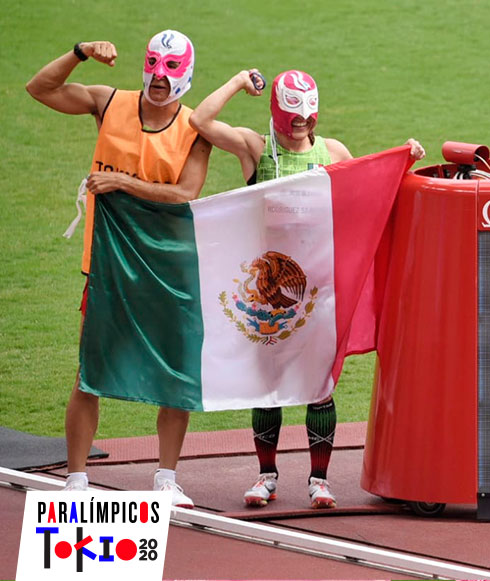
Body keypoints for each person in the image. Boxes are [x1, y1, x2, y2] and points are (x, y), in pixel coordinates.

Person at [189, 68, 424, 509]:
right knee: (269, 383)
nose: (302, 126)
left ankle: (320, 481)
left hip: (318, 291)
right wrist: (239, 81)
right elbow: (199, 121)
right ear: (277, 111)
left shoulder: (332, 151)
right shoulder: (256, 148)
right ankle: (266, 477)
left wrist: (403, 157)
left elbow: (370, 190)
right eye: (294, 118)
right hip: (267, 292)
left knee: (320, 385)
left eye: (308, 118)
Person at [26, 31, 212, 508]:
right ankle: (77, 480)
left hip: (169, 268)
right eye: (153, 63)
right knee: (90, 370)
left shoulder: (195, 128)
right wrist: (79, 52)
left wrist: (122, 183)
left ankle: (166, 478)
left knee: (176, 373)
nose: (159, 75)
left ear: (186, 76)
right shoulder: (109, 103)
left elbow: (185, 194)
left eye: (171, 68)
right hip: (107, 265)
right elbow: (39, 89)